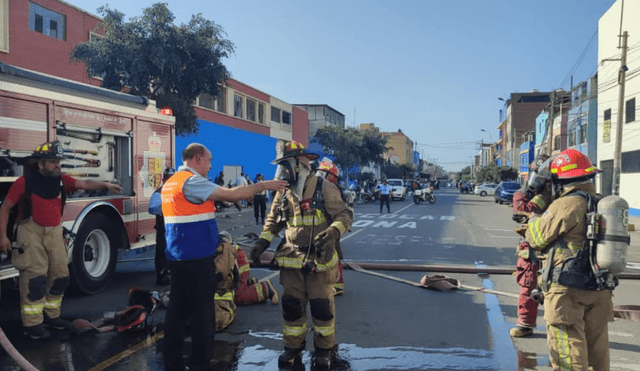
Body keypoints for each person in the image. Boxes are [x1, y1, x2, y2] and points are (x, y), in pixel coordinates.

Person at [161, 143, 286, 371]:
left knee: (177, 312)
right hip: (197, 259)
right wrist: (264, 186)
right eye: (208, 161)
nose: (210, 167)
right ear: (198, 159)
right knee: (202, 315)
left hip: (178, 257)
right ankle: (200, 363)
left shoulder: (172, 183)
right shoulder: (192, 181)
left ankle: (172, 361)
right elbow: (229, 195)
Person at [0, 140, 123, 340]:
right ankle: (32, 325)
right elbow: (5, 207)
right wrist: (3, 236)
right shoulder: (24, 183)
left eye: (58, 161)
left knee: (61, 275)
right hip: (30, 234)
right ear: (40, 164)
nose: (57, 165)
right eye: (52, 162)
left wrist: (106, 185)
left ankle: (52, 316)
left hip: (55, 233)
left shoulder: (60, 180)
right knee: (35, 280)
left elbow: (84, 183)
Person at [250, 140, 353, 369]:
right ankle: (292, 349)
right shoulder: (283, 192)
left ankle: (324, 350)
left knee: (321, 308)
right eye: (280, 167)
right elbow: (273, 222)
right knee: (291, 306)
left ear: (300, 164)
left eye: (285, 166)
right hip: (292, 262)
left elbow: (345, 215)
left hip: (319, 261)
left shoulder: (323, 187)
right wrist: (261, 242)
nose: (282, 172)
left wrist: (333, 232)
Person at [525, 149, 613, 371]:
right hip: (600, 287)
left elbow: (536, 238)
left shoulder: (566, 204)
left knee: (567, 352)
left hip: (566, 290)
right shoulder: (602, 204)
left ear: (560, 181)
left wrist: (535, 217)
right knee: (597, 349)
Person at [509, 155, 552, 338]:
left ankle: (557, 326)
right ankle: (525, 324)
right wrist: (540, 197)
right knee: (528, 285)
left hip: (554, 246)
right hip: (532, 248)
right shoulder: (523, 194)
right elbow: (521, 210)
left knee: (557, 288)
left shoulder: (559, 194)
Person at [213, 232, 279, 331]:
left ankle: (264, 289)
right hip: (230, 258)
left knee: (237, 296)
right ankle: (249, 284)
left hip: (236, 261)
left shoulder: (224, 250)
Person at [315, 159, 348, 296]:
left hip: (331, 227)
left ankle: (337, 284)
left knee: (333, 254)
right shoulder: (318, 187)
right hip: (325, 226)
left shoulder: (331, 188)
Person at [148, 167, 175, 286]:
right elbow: (152, 208)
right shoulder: (159, 193)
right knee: (162, 251)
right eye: (168, 178)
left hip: (175, 227)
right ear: (164, 179)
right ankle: (162, 275)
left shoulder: (178, 192)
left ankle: (172, 274)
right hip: (163, 226)